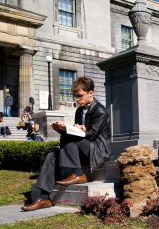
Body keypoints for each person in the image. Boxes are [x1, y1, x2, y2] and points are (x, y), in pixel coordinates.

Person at [21, 77, 113, 211]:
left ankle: (78, 173)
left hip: (98, 151)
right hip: (83, 149)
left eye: (80, 96)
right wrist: (72, 127)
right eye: (75, 96)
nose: (77, 99)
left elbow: (92, 135)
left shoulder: (100, 111)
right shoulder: (79, 110)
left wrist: (78, 130)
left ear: (90, 93)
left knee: (67, 134)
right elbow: (81, 133)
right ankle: (44, 197)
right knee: (53, 155)